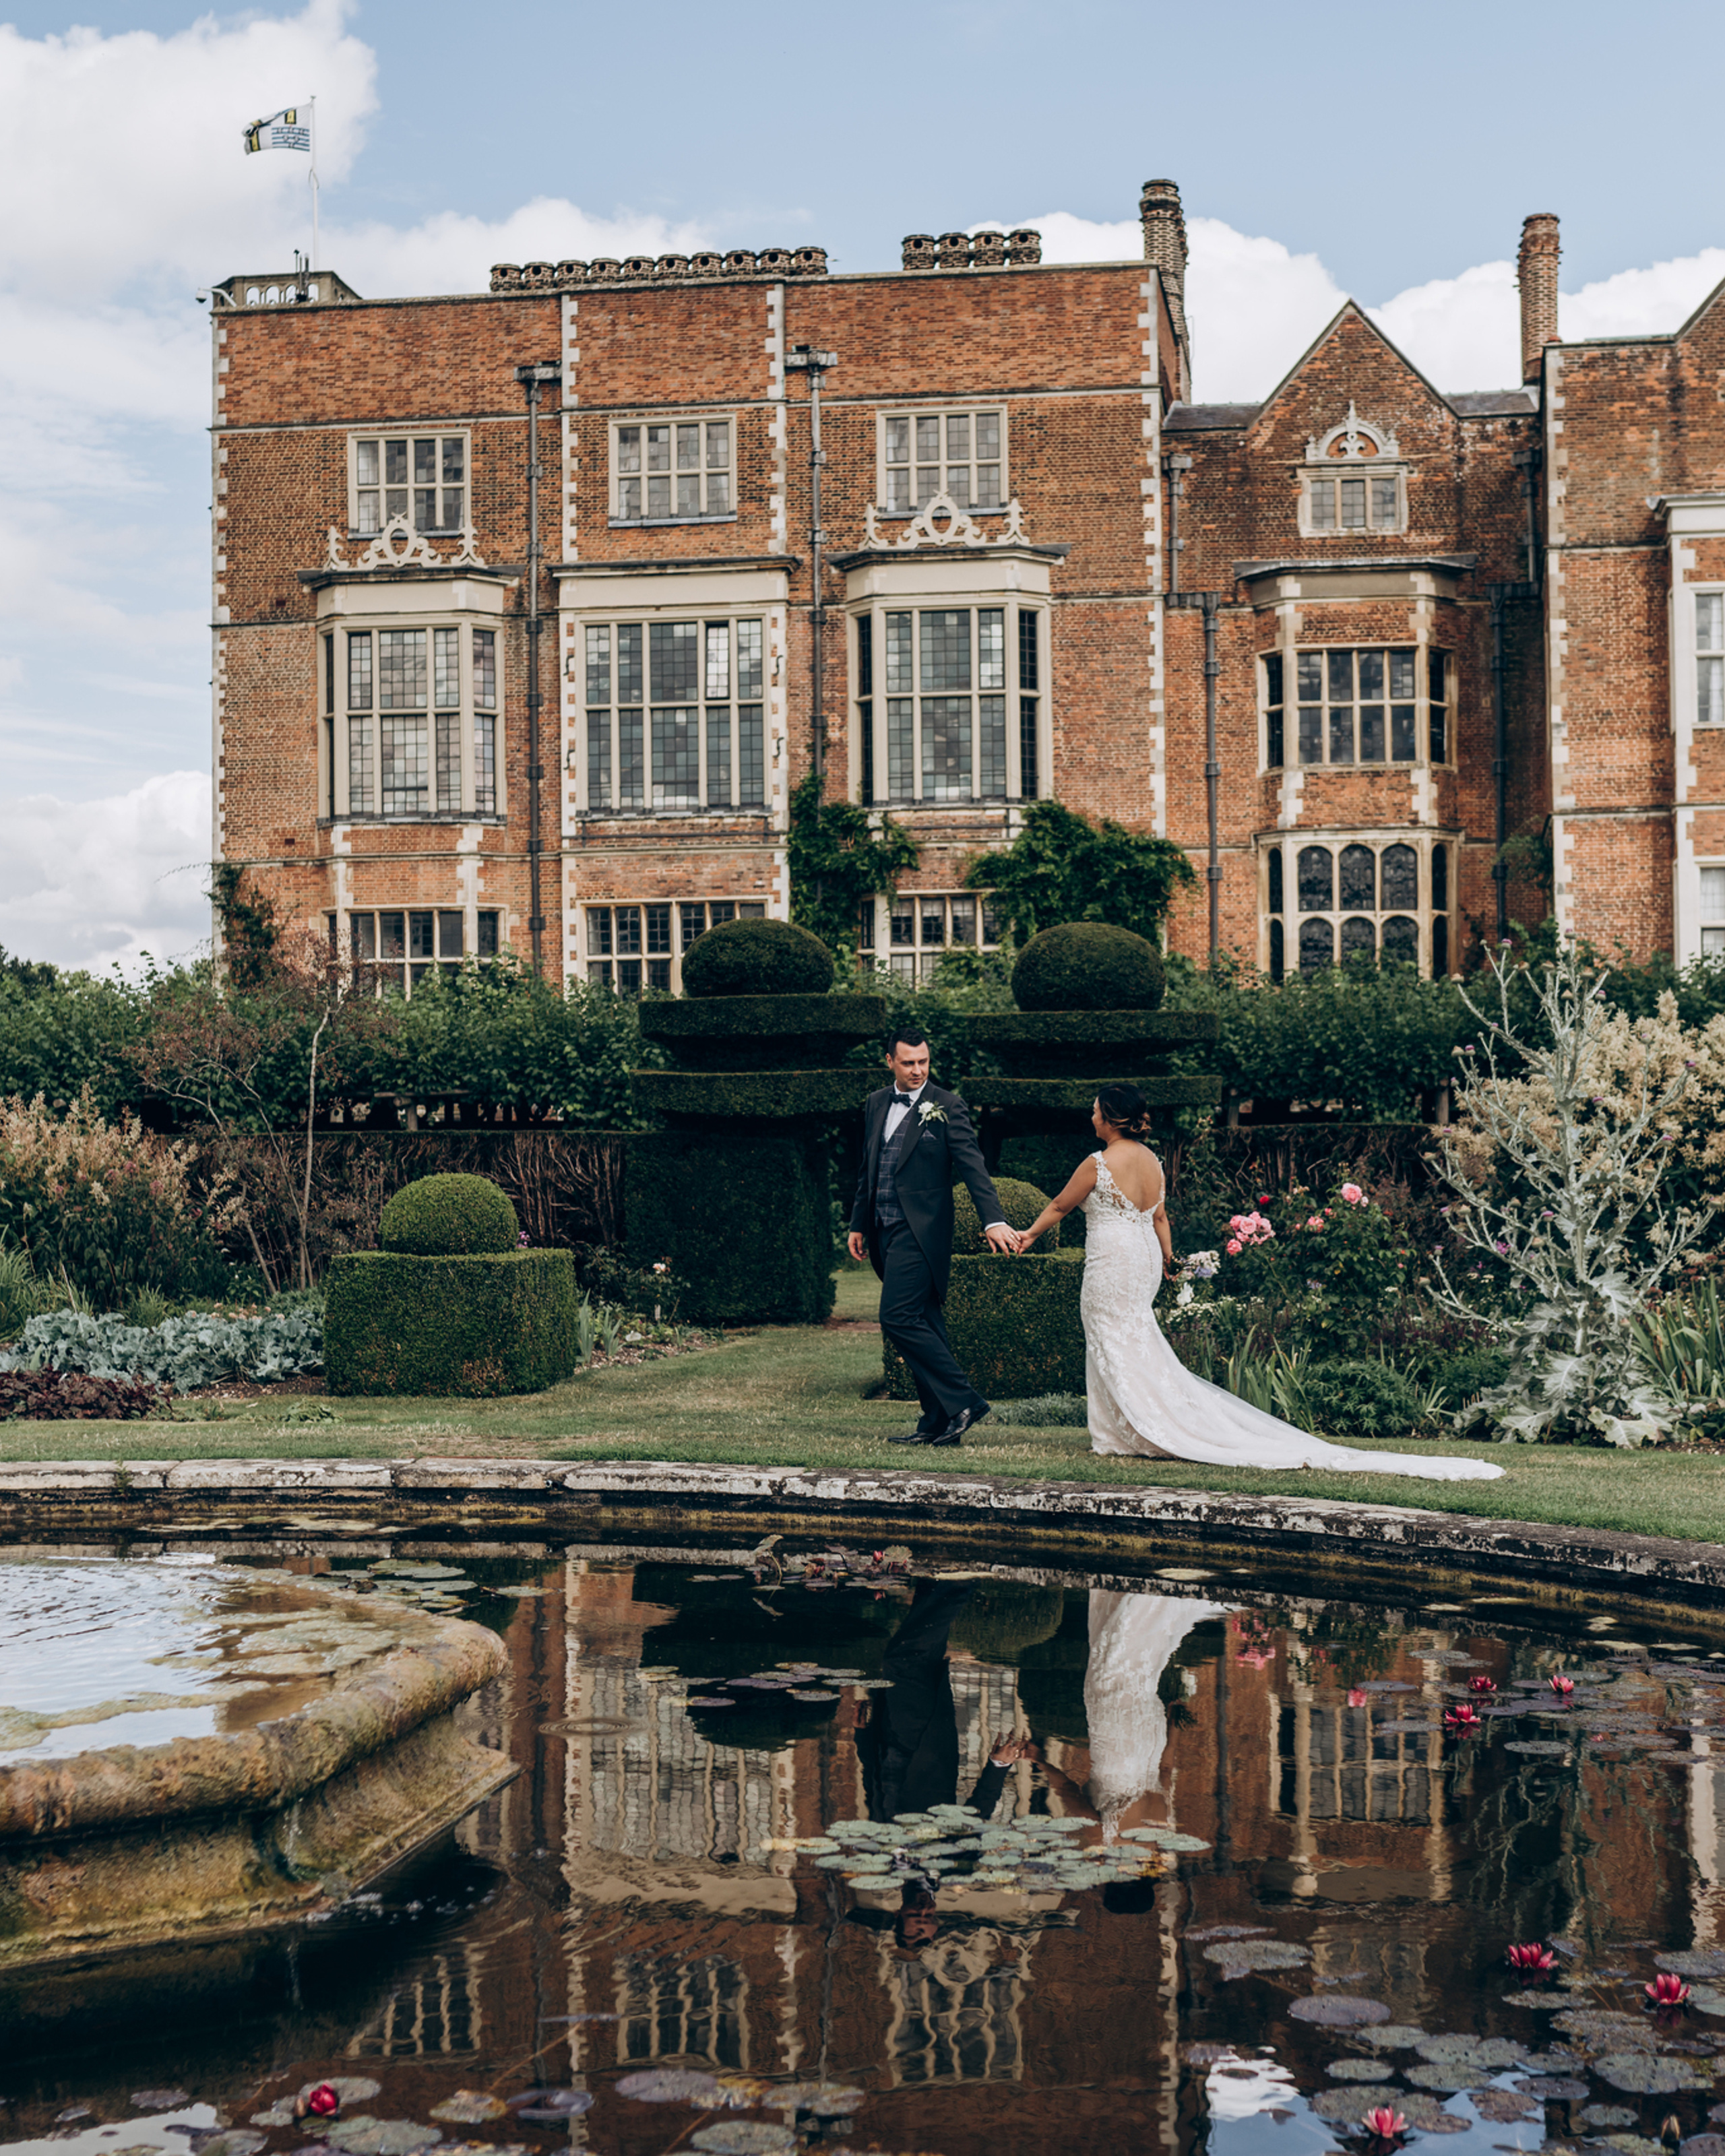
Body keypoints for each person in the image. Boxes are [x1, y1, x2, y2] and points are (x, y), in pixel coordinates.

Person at [1011, 1082, 1505, 1482]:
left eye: (1095, 1111)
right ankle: (1122, 1431)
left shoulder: (1098, 1163)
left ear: (1111, 1117)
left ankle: (1126, 1433)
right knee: (1133, 1335)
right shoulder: (1153, 1163)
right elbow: (1160, 1217)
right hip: (1142, 1258)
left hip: (1113, 1258)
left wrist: (1029, 1235)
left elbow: (1059, 1206)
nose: (1090, 1117)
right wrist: (1167, 1259)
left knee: (1109, 1335)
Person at [848, 1025, 1017, 1447]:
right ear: (890, 1062)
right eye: (908, 1063)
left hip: (921, 1234)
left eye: (923, 1061)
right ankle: (937, 1422)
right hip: (884, 1231)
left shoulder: (947, 1106)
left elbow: (973, 1167)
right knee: (925, 1322)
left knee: (897, 1317)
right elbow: (869, 1168)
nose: (918, 1070)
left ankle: (965, 1402)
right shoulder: (874, 1104)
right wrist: (858, 1223)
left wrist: (992, 1219)